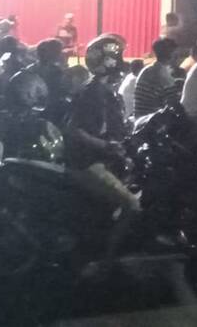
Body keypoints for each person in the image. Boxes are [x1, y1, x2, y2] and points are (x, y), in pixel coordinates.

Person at [65, 34, 141, 271]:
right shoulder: (93, 93)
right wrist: (106, 146)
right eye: (119, 57)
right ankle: (106, 263)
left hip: (104, 160)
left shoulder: (105, 90)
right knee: (131, 204)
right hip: (88, 163)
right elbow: (75, 130)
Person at [132, 38, 178, 118]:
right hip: (153, 121)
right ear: (171, 54)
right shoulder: (164, 75)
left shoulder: (146, 70)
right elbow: (174, 103)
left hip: (140, 118)